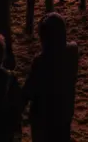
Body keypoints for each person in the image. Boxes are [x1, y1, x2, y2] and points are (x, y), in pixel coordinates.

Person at [23, 12, 78, 142]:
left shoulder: (40, 61)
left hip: (43, 119)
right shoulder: (72, 52)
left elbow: (29, 90)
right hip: (64, 112)